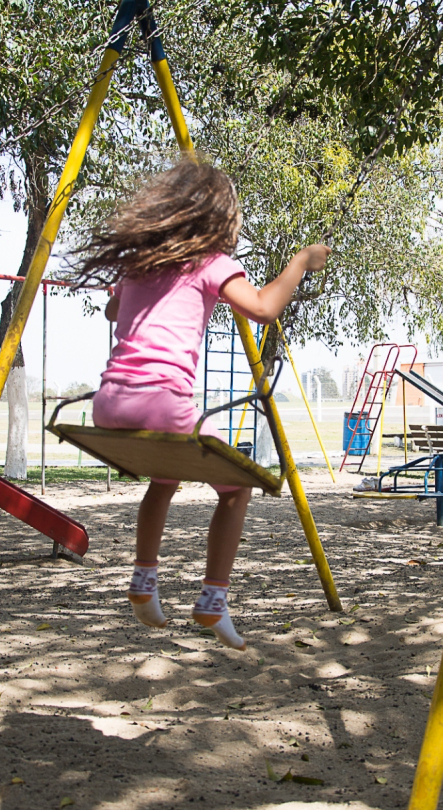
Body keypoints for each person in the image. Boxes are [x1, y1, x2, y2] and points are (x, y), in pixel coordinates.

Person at [78, 158, 331, 650]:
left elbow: (113, 311)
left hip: (108, 403)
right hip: (159, 403)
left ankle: (143, 584)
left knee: (163, 479)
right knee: (237, 486)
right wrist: (300, 262)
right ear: (217, 218)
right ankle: (213, 601)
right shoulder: (212, 262)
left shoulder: (140, 262)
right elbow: (262, 308)